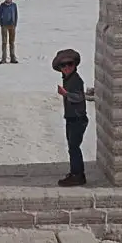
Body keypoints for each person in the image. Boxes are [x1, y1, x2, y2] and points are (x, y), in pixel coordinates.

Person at [52, 48, 88, 186]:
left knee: (74, 147)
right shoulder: (69, 79)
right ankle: (75, 172)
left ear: (75, 65)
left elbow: (79, 97)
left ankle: (77, 175)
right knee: (72, 147)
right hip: (72, 118)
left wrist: (66, 94)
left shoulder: (76, 80)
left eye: (70, 64)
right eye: (63, 65)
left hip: (77, 119)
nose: (67, 67)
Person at [0, 0, 18, 64]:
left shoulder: (14, 5)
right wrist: (2, 24)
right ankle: (4, 58)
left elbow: (16, 15)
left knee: (12, 42)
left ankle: (13, 58)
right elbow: (0, 15)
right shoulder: (2, 5)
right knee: (4, 42)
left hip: (12, 25)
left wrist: (15, 23)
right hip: (4, 25)